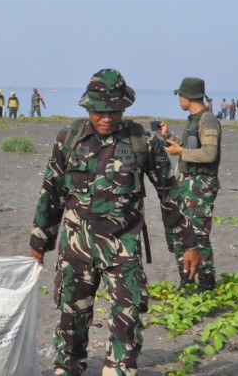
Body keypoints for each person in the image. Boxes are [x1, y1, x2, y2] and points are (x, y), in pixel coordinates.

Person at [29, 69, 199, 375]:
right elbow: (51, 192)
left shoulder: (141, 143)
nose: (107, 117)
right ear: (88, 108)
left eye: (114, 110)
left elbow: (169, 192)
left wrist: (188, 243)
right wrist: (38, 245)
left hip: (123, 250)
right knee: (71, 325)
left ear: (125, 107)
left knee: (126, 322)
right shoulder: (69, 139)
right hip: (75, 251)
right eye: (99, 111)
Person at [158, 77, 221, 293]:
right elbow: (191, 147)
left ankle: (206, 281)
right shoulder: (193, 119)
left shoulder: (208, 120)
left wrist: (180, 152)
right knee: (181, 230)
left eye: (180, 96)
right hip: (187, 181)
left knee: (198, 233)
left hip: (201, 184)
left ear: (188, 96)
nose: (179, 100)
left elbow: (209, 153)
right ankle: (186, 279)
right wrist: (170, 139)